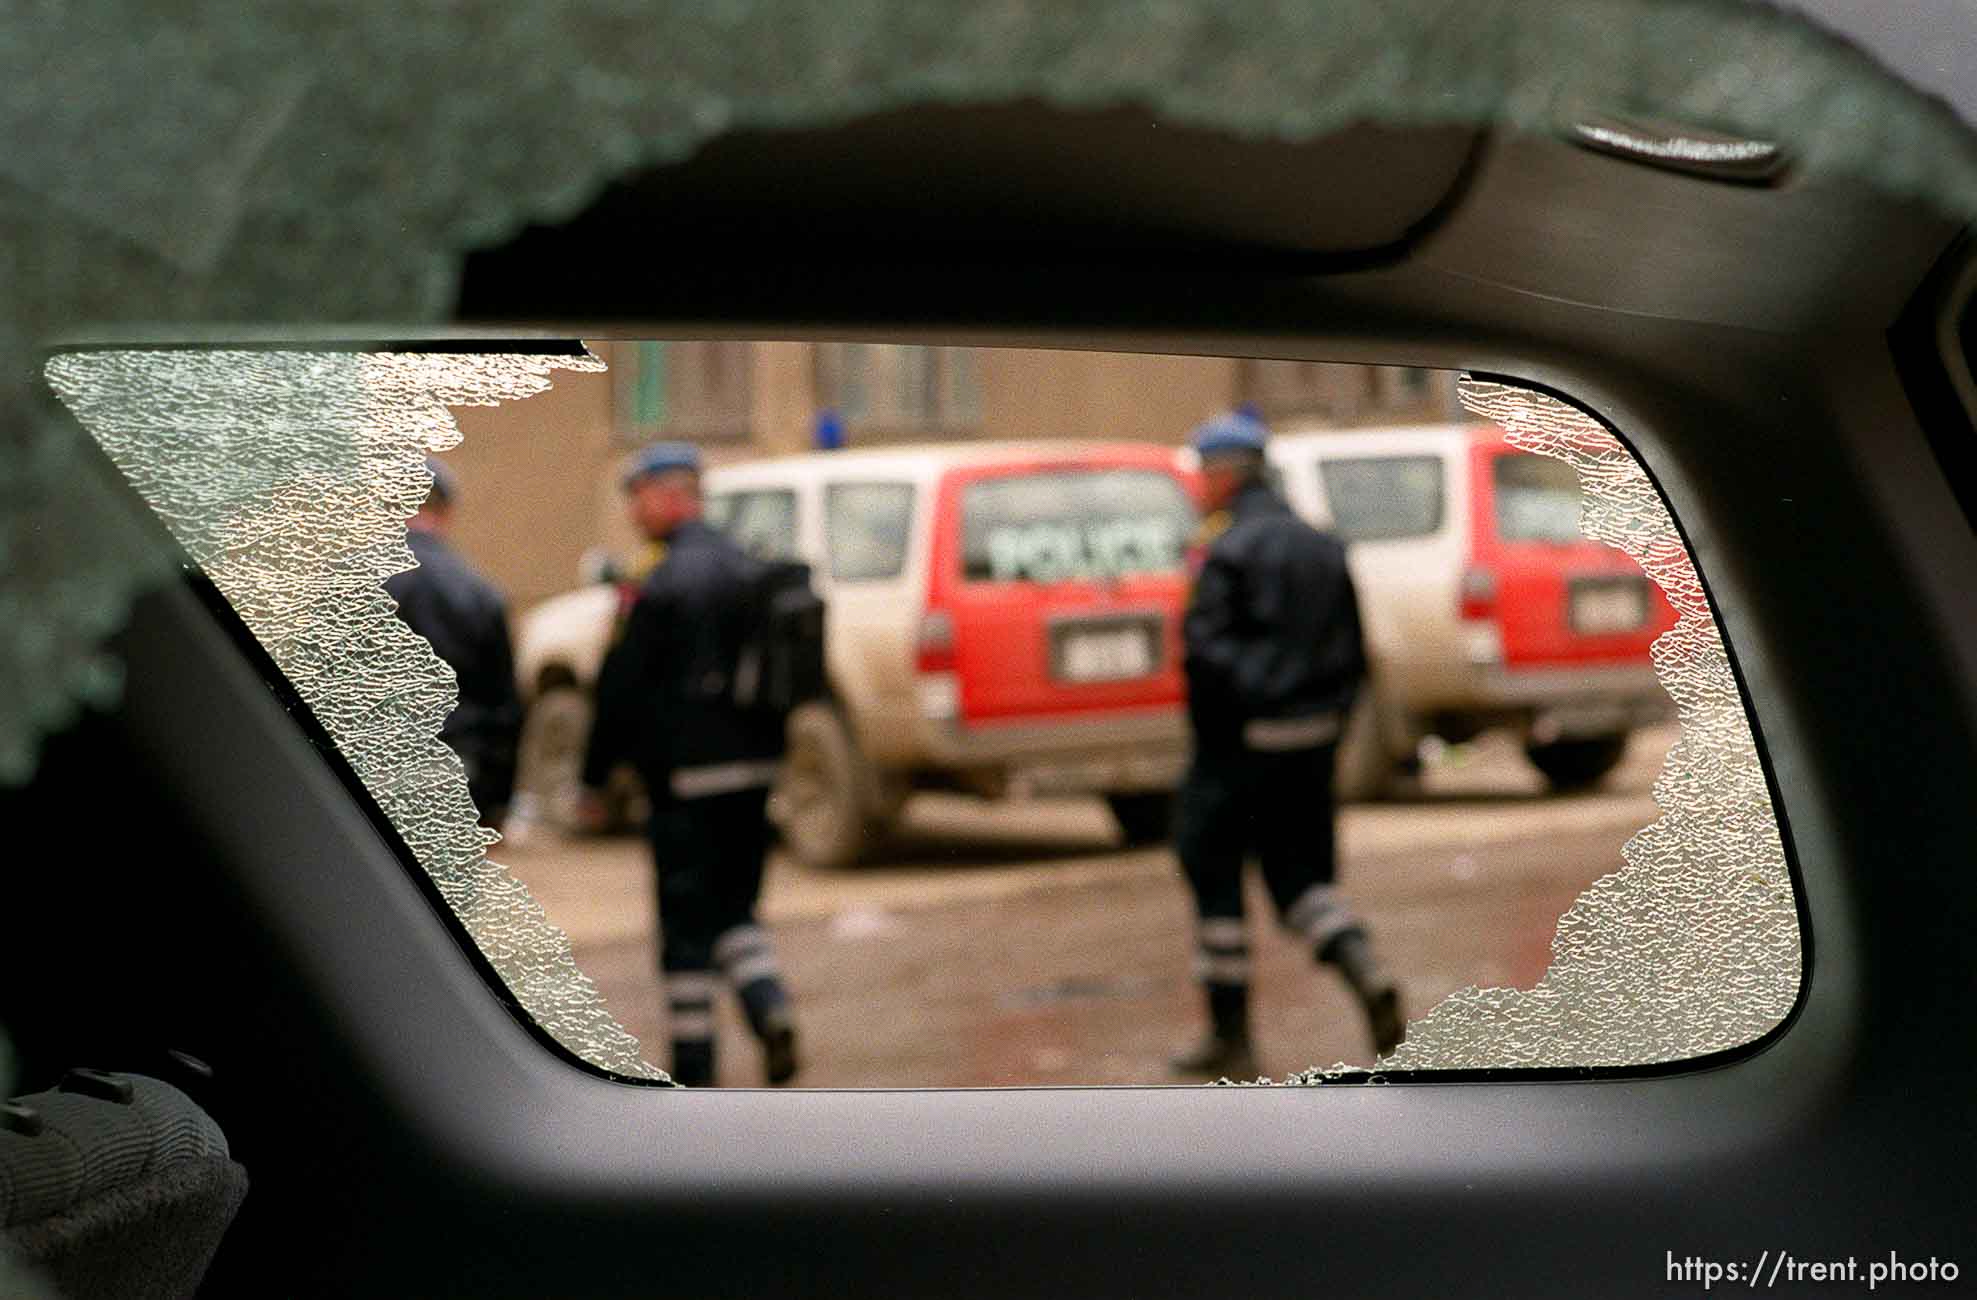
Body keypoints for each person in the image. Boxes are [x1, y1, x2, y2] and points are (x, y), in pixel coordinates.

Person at [1171, 411, 1404, 1078]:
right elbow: (1357, 653)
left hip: (1237, 750)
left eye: (1200, 475)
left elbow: (1204, 659)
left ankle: (1230, 1036)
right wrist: (1327, 725)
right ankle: (1365, 968)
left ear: (1222, 477)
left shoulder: (1225, 550)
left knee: (1210, 870)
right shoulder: (1321, 545)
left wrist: (1221, 736)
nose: (1196, 489)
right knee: (1301, 881)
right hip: (1310, 745)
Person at [578, 442, 799, 1088]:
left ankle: (694, 1072)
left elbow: (618, 688)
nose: (632, 510)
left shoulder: (657, 580)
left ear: (671, 495)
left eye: (637, 496)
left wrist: (594, 777)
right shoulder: (749, 568)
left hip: (683, 783)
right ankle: (769, 1004)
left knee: (684, 927)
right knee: (733, 910)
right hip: (754, 777)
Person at [385, 459, 523, 832]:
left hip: (369, 773)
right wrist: (497, 805)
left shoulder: (346, 585)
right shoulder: (479, 592)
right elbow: (504, 708)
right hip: (455, 773)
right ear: (445, 511)